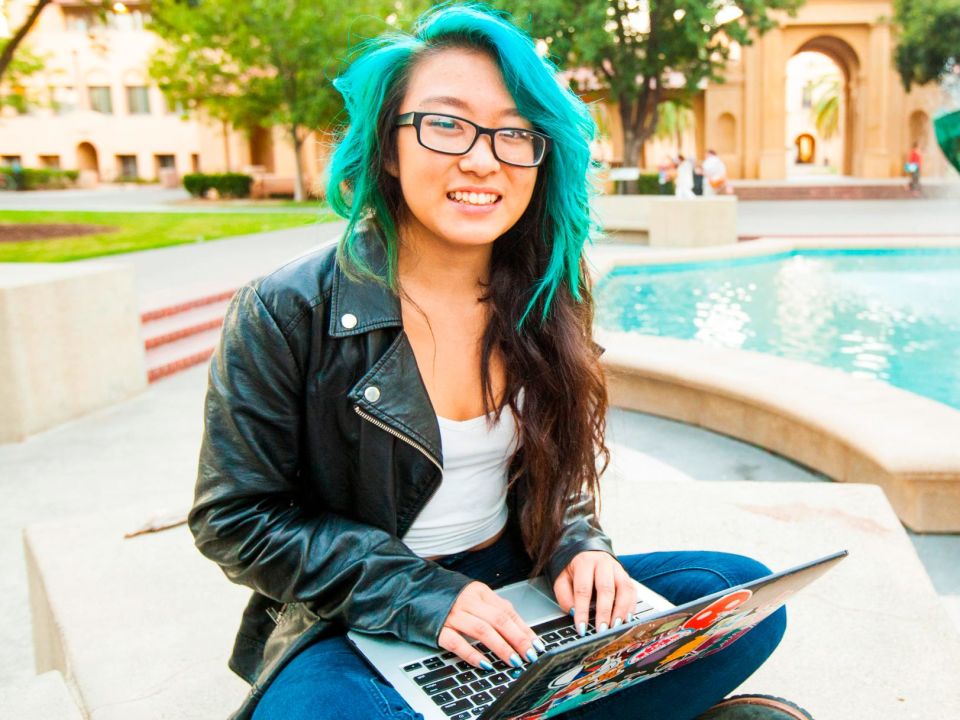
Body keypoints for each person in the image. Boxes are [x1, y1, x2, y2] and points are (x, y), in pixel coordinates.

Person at [190, 5, 800, 720]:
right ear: (388, 148)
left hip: (520, 581)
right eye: (446, 124)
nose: (483, 159)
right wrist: (422, 595)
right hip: (358, 610)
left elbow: (560, 470)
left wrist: (579, 545)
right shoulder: (286, 309)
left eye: (514, 133)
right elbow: (235, 517)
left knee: (742, 602)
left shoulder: (550, 293)